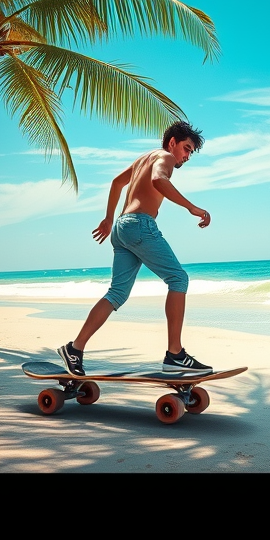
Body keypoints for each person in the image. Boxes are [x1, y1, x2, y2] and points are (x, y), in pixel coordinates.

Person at [57, 121, 213, 376]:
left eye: (190, 152)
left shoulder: (144, 158)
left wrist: (109, 219)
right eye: (186, 148)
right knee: (178, 278)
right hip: (140, 224)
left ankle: (75, 348)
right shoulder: (164, 157)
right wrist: (191, 207)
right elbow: (158, 180)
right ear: (172, 142)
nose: (186, 156)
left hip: (121, 228)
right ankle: (175, 354)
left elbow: (117, 183)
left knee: (116, 293)